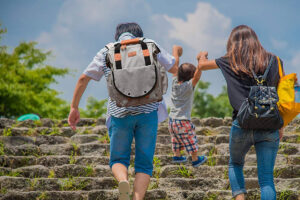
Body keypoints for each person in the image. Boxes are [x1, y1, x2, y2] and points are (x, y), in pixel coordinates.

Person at [68, 22, 177, 200]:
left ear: (117, 36)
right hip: (148, 112)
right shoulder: (150, 44)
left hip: (119, 112)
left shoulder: (107, 51)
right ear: (139, 34)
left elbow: (83, 78)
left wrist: (74, 107)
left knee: (118, 159)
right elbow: (173, 68)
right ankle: (137, 198)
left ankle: (122, 181)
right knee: (144, 164)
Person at [196, 25, 284, 200]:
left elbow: (202, 66)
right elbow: (281, 93)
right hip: (270, 124)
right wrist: (281, 124)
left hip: (242, 123)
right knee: (267, 179)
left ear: (232, 42)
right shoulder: (276, 61)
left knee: (235, 164)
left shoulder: (230, 60)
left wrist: (202, 55)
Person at [168, 45, 207, 167]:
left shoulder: (175, 82)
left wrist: (176, 50)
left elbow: (176, 63)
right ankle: (195, 159)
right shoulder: (189, 87)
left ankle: (177, 156)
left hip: (172, 121)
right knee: (190, 139)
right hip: (183, 120)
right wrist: (201, 58)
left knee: (176, 139)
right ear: (190, 77)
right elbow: (198, 74)